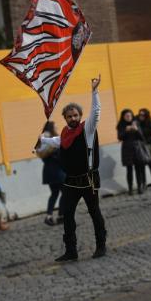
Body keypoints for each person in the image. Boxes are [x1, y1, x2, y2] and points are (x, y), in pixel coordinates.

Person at [40, 74, 107, 262]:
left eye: (75, 115)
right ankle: (71, 250)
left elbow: (96, 111)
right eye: (69, 116)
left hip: (88, 179)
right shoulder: (65, 133)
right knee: (67, 214)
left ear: (79, 115)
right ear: (65, 118)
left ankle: (101, 245)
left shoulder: (88, 128)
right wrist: (40, 140)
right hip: (71, 180)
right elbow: (56, 141)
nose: (73, 118)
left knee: (94, 213)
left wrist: (94, 91)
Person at [36, 121, 65, 226]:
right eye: (55, 127)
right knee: (66, 193)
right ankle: (61, 216)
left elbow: (42, 156)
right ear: (51, 128)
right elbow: (60, 158)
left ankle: (49, 216)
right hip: (58, 172)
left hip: (48, 172)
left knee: (54, 194)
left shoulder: (42, 143)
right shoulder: (53, 142)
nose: (57, 128)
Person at [117, 109, 145, 195]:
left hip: (136, 149)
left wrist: (136, 129)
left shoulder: (136, 123)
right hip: (126, 149)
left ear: (132, 116)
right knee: (129, 170)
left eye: (130, 115)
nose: (128, 117)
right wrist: (126, 130)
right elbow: (120, 138)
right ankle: (130, 189)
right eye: (126, 116)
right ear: (123, 117)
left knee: (138, 169)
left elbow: (142, 138)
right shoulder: (121, 125)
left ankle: (140, 188)